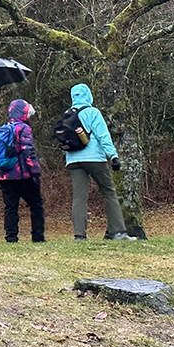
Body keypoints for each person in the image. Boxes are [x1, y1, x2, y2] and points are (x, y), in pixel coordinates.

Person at [65, 84, 135, 241]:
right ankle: (118, 232)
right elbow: (103, 137)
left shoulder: (67, 114)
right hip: (95, 158)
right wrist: (113, 156)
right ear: (88, 95)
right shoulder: (92, 112)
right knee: (109, 192)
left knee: (79, 197)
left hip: (73, 161)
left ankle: (79, 236)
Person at [0, 99, 45, 243]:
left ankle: (11, 237)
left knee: (10, 207)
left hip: (4, 175)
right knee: (36, 204)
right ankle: (38, 236)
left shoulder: (3, 128)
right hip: (22, 175)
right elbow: (27, 151)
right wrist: (35, 170)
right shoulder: (24, 128)